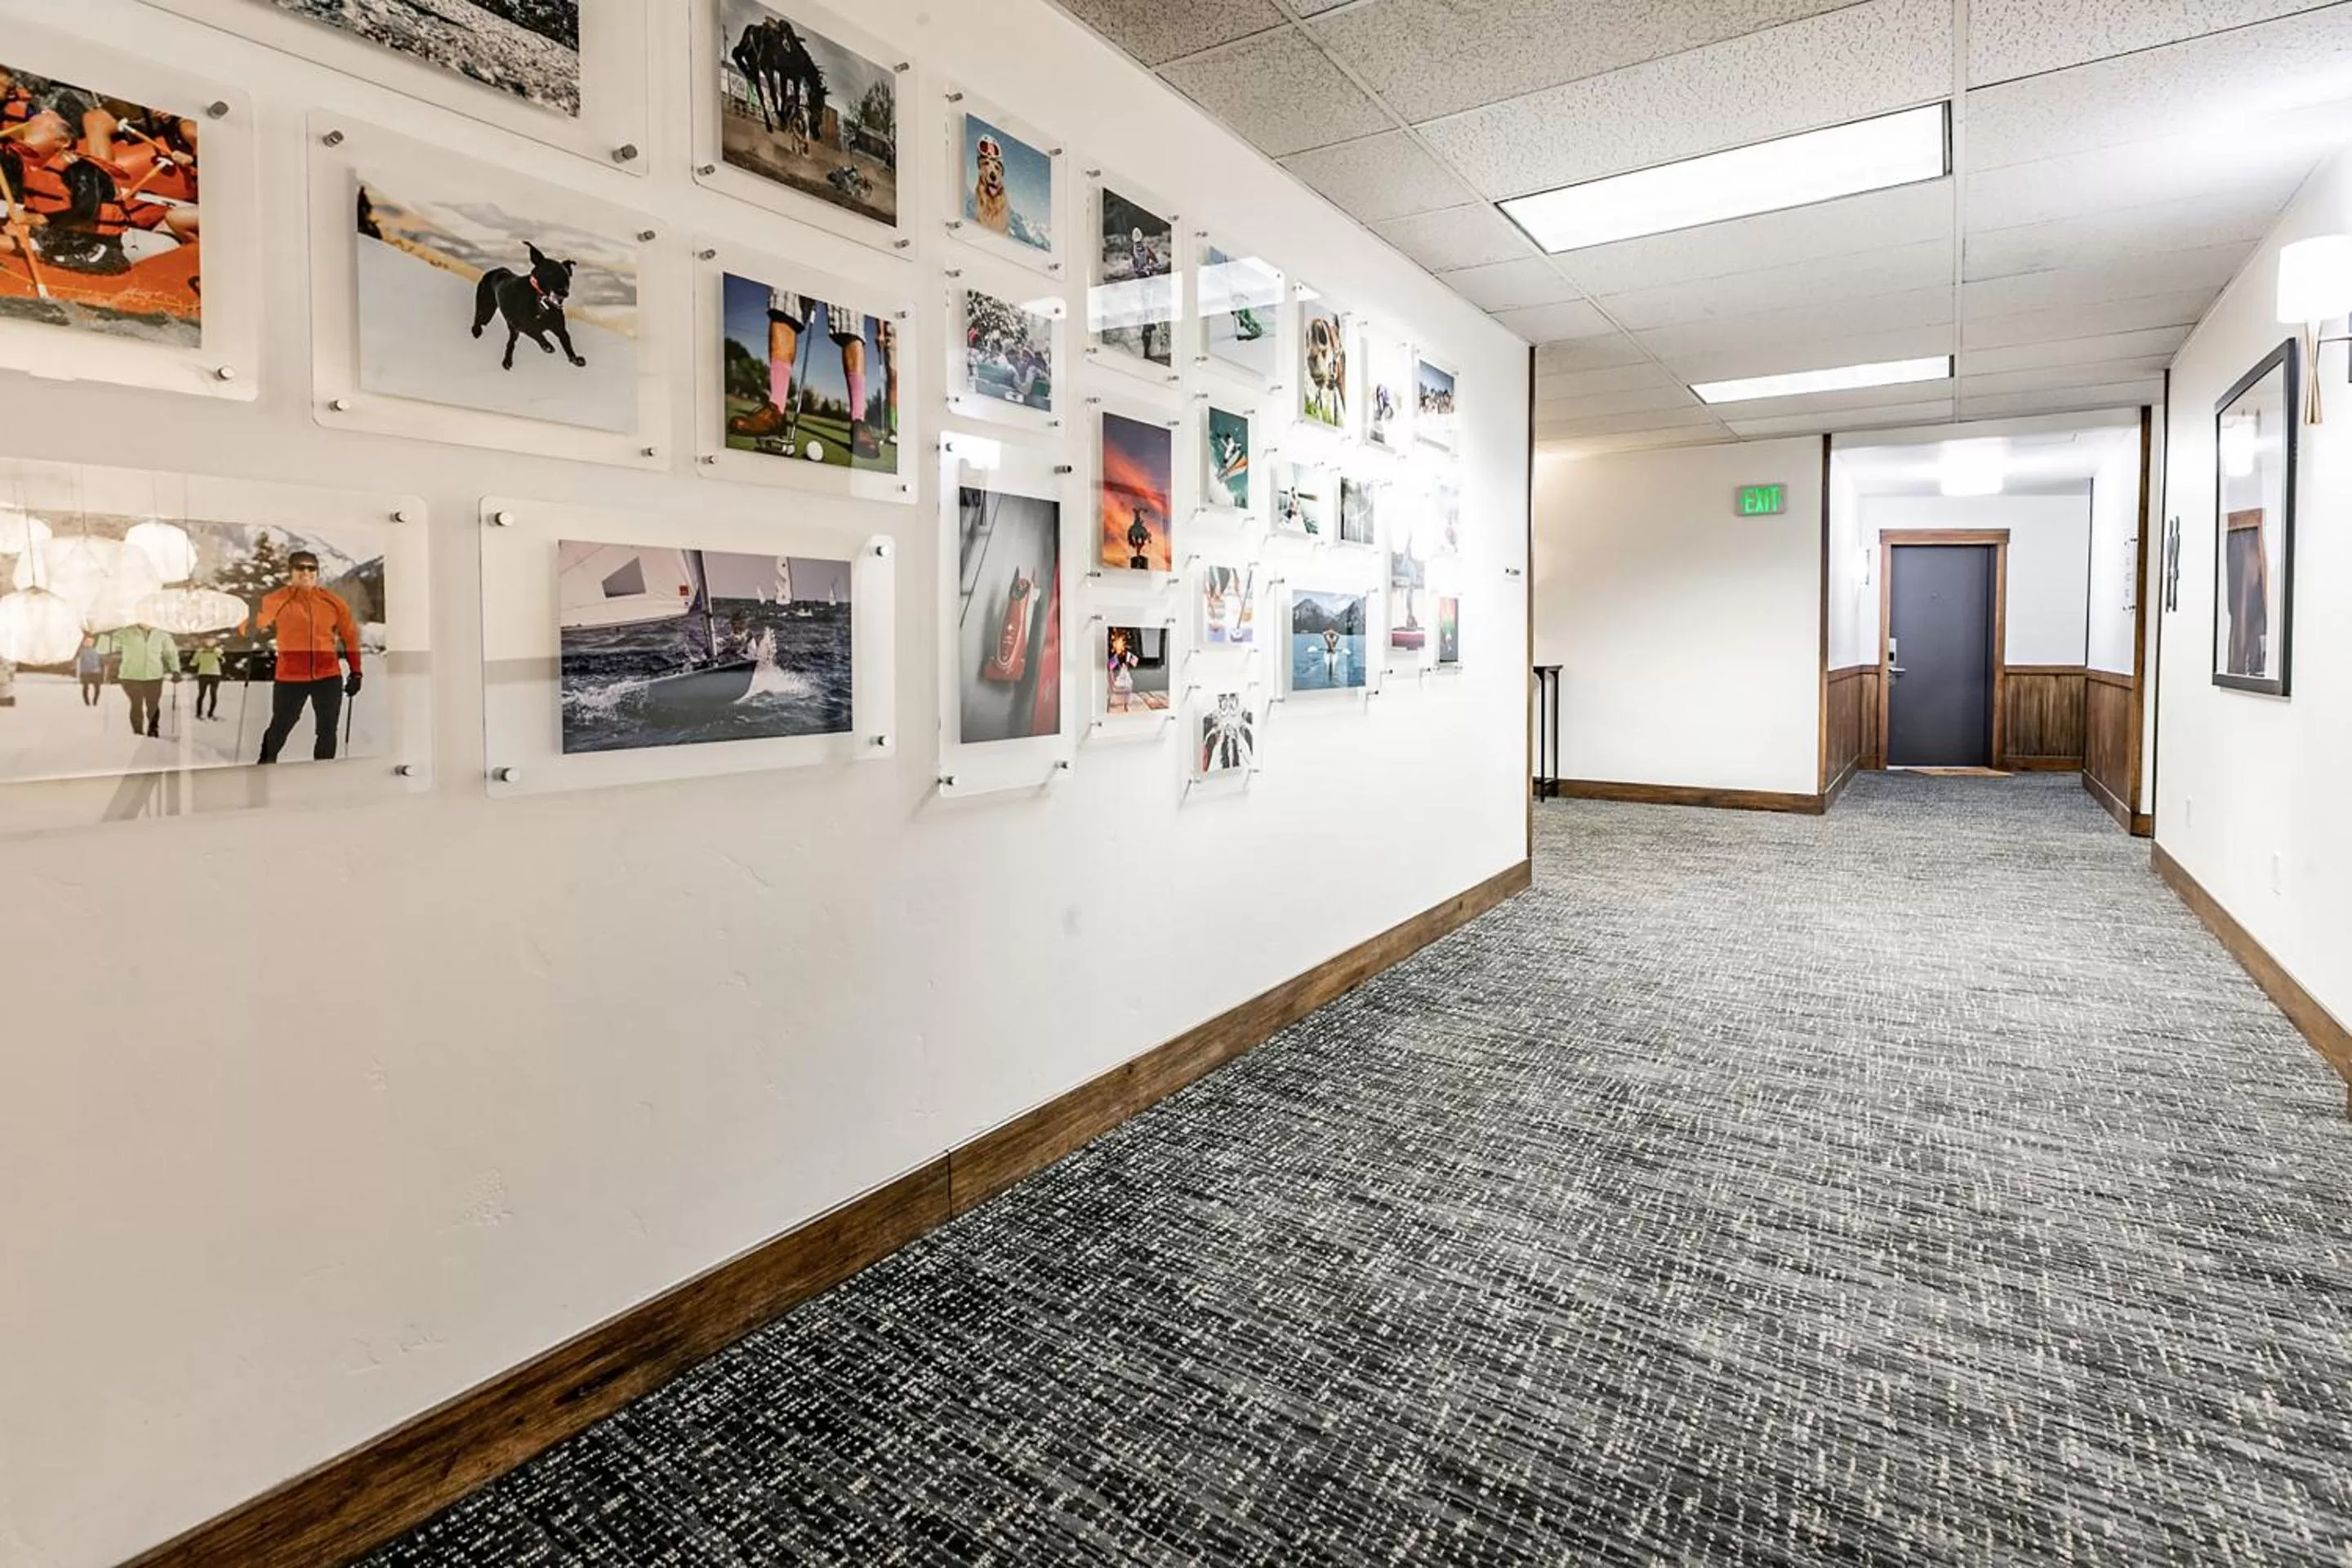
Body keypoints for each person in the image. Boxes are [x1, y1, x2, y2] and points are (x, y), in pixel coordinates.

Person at [256, 550, 363, 764]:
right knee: (280, 726)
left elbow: (350, 637)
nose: (306, 572)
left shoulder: (333, 602)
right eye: (300, 567)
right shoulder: (276, 600)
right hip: (290, 678)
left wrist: (356, 672)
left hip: (328, 677)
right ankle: (264, 767)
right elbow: (255, 623)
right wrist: (246, 628)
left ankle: (323, 775)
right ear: (291, 571)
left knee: (327, 729)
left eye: (311, 567)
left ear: (317, 572)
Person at [100, 619, 179, 737]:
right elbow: (103, 649)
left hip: (154, 676)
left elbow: (171, 653)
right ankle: (137, 732)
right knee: (136, 703)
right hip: (130, 677)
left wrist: (175, 670)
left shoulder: (162, 634)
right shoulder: (126, 633)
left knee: (153, 704)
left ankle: (153, 728)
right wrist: (105, 635)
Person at [190, 638, 222, 719]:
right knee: (205, 694)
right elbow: (194, 662)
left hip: (211, 674)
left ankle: (208, 713)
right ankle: (201, 713)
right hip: (208, 674)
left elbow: (193, 663)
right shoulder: (200, 651)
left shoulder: (217, 651)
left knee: (209, 694)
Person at [74, 633, 104, 706]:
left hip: (96, 672)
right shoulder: (82, 651)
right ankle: (87, 702)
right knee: (86, 688)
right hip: (86, 672)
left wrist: (101, 669)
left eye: (90, 642)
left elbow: (99, 661)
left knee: (97, 688)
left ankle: (95, 702)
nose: (89, 643)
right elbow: (77, 659)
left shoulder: (95, 651)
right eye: (87, 642)